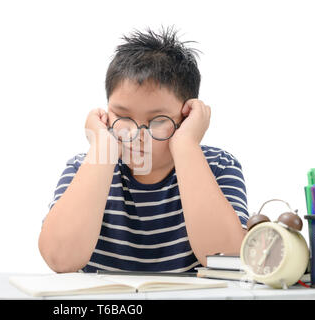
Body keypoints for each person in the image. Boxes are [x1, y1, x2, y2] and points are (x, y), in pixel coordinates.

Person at [38, 25, 249, 273]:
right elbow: (60, 259)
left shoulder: (219, 166)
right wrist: (103, 148)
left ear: (186, 117)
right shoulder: (86, 166)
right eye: (122, 115)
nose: (135, 135)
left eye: (158, 120)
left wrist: (186, 146)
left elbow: (229, 260)